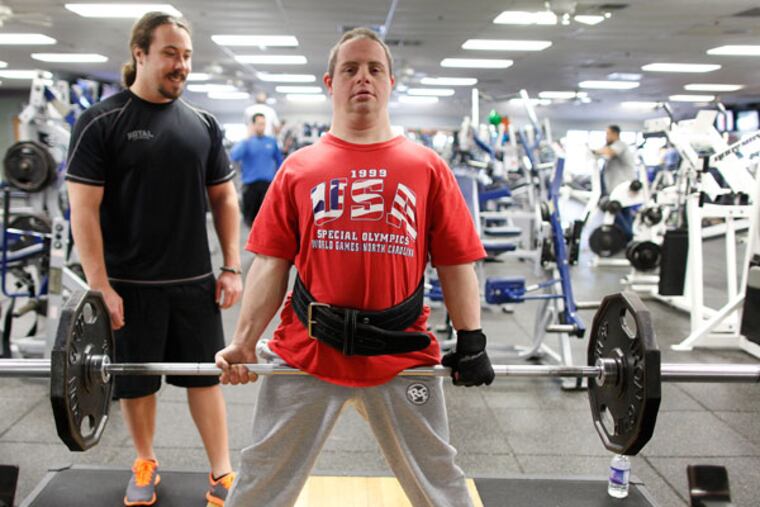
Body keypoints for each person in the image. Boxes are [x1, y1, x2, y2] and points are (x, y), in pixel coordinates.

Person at [215, 27, 495, 507]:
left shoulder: (427, 167)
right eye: (350, 69)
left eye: (374, 69)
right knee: (260, 480)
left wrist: (471, 339)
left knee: (439, 482)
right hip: (307, 351)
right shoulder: (299, 167)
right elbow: (270, 264)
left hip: (400, 353)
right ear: (330, 82)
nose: (362, 78)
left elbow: (456, 261)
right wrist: (243, 342)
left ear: (389, 83)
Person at [65, 12, 242, 507]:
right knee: (136, 382)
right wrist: (100, 285)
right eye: (170, 53)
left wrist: (231, 266)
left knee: (205, 380)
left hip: (193, 281)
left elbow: (226, 199)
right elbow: (84, 211)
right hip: (129, 285)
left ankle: (223, 471)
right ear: (140, 52)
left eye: (186, 56)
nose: (181, 65)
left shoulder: (202, 123)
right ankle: (144, 462)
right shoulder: (102, 122)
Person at [229, 112, 284, 225]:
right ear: (253, 125)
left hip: (267, 186)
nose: (262, 127)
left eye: (263, 124)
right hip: (250, 186)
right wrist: (246, 138)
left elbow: (280, 163)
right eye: (259, 124)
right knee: (250, 221)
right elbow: (234, 156)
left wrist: (279, 182)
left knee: (267, 222)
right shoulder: (247, 142)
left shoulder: (271, 142)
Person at [593, 125, 638, 240]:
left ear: (615, 134)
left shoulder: (620, 145)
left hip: (624, 190)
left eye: (608, 134)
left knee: (615, 211)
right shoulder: (610, 146)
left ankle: (628, 236)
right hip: (617, 191)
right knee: (622, 214)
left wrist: (594, 151)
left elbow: (609, 152)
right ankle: (625, 239)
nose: (606, 137)